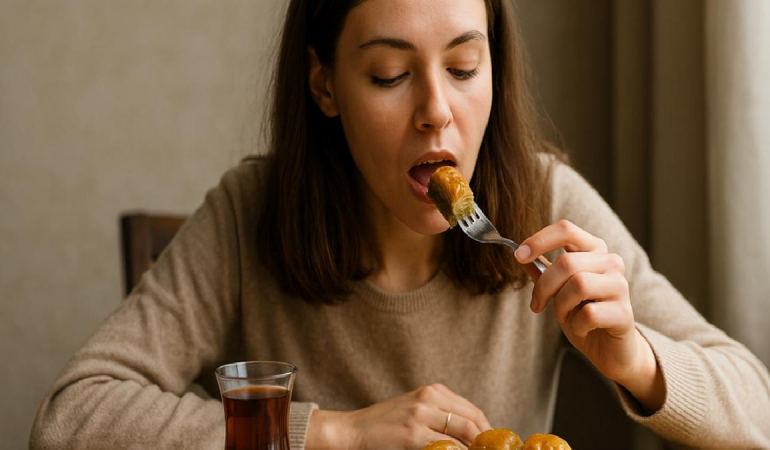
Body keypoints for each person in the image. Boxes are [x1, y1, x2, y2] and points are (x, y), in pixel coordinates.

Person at [31, 0, 770, 448]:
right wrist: (336, 435)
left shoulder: (546, 202)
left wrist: (635, 358)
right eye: (389, 74)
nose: (436, 111)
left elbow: (754, 406)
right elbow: (71, 419)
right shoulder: (249, 212)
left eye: (464, 66)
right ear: (325, 86)